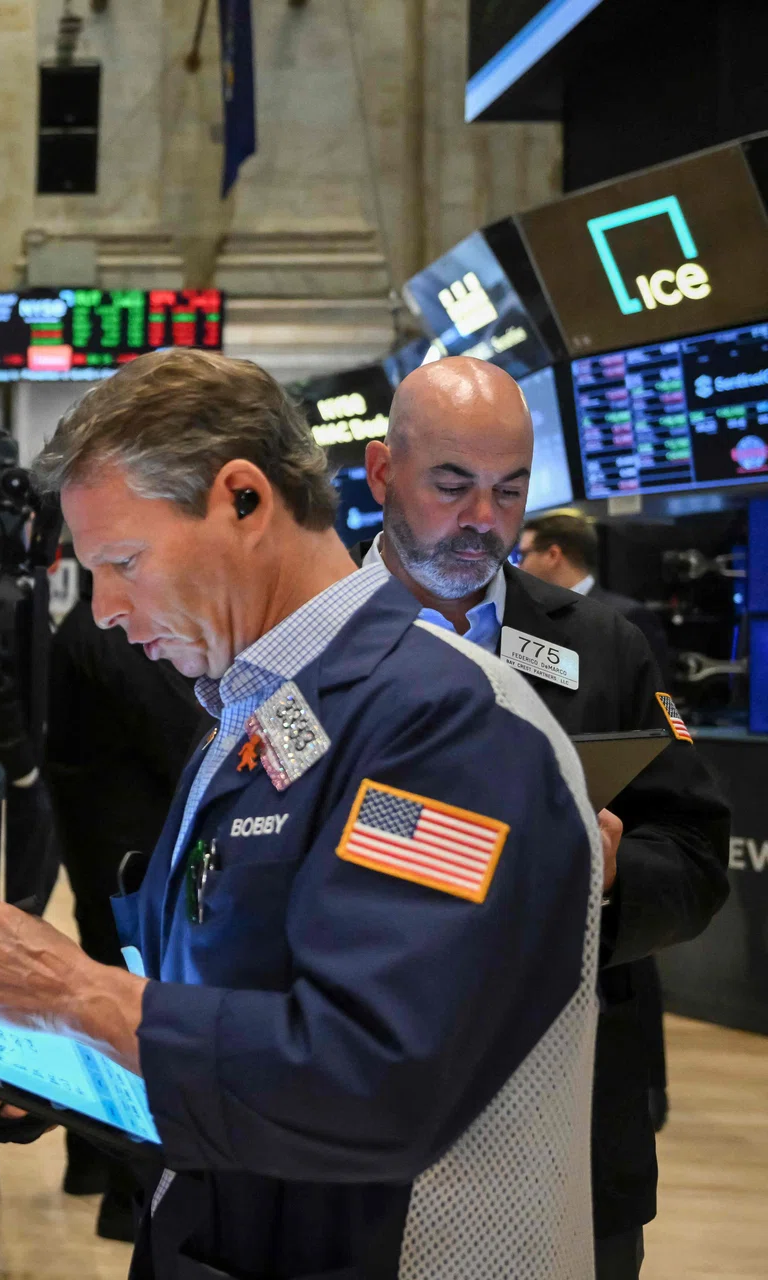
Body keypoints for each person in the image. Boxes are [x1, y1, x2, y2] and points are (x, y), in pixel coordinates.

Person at [0, 348, 603, 1279]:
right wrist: (63, 1045)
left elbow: (375, 1076)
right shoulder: (256, 712)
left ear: (242, 498)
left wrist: (86, 997)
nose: (107, 610)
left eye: (124, 562)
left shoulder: (446, 726)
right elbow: (226, 993)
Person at [358, 358, 730, 1279]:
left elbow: (695, 854)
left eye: (509, 490)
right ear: (382, 473)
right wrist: (472, 847)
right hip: (360, 1128)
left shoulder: (603, 646)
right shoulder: (302, 638)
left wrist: (608, 876)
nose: (483, 519)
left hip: (571, 1130)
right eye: (452, 486)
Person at [42, 575, 207, 1238]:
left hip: (103, 851)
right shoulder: (111, 631)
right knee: (123, 1025)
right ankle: (123, 1196)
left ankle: (91, 1168)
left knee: (106, 1013)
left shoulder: (90, 628)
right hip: (126, 861)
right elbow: (183, 739)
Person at [518, 510, 674, 689]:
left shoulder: (628, 618)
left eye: (524, 555)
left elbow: (655, 694)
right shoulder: (530, 617)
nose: (520, 566)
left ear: (553, 555)